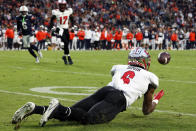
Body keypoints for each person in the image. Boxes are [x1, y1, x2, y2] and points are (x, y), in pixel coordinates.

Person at [11, 47, 164, 128]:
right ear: (145, 61)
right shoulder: (151, 77)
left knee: (69, 113)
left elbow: (119, 75)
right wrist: (156, 100)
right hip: (119, 98)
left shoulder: (119, 67)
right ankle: (55, 106)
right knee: (88, 119)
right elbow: (146, 110)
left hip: (105, 91)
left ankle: (35, 108)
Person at [48, 0, 74, 65]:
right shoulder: (56, 12)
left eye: (63, 5)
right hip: (59, 29)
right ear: (59, 5)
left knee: (66, 44)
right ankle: (69, 57)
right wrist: (52, 28)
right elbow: (51, 21)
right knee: (65, 42)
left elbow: (72, 19)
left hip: (66, 29)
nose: (62, 6)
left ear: (65, 5)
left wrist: (72, 26)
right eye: (61, 5)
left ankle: (64, 56)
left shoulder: (68, 11)